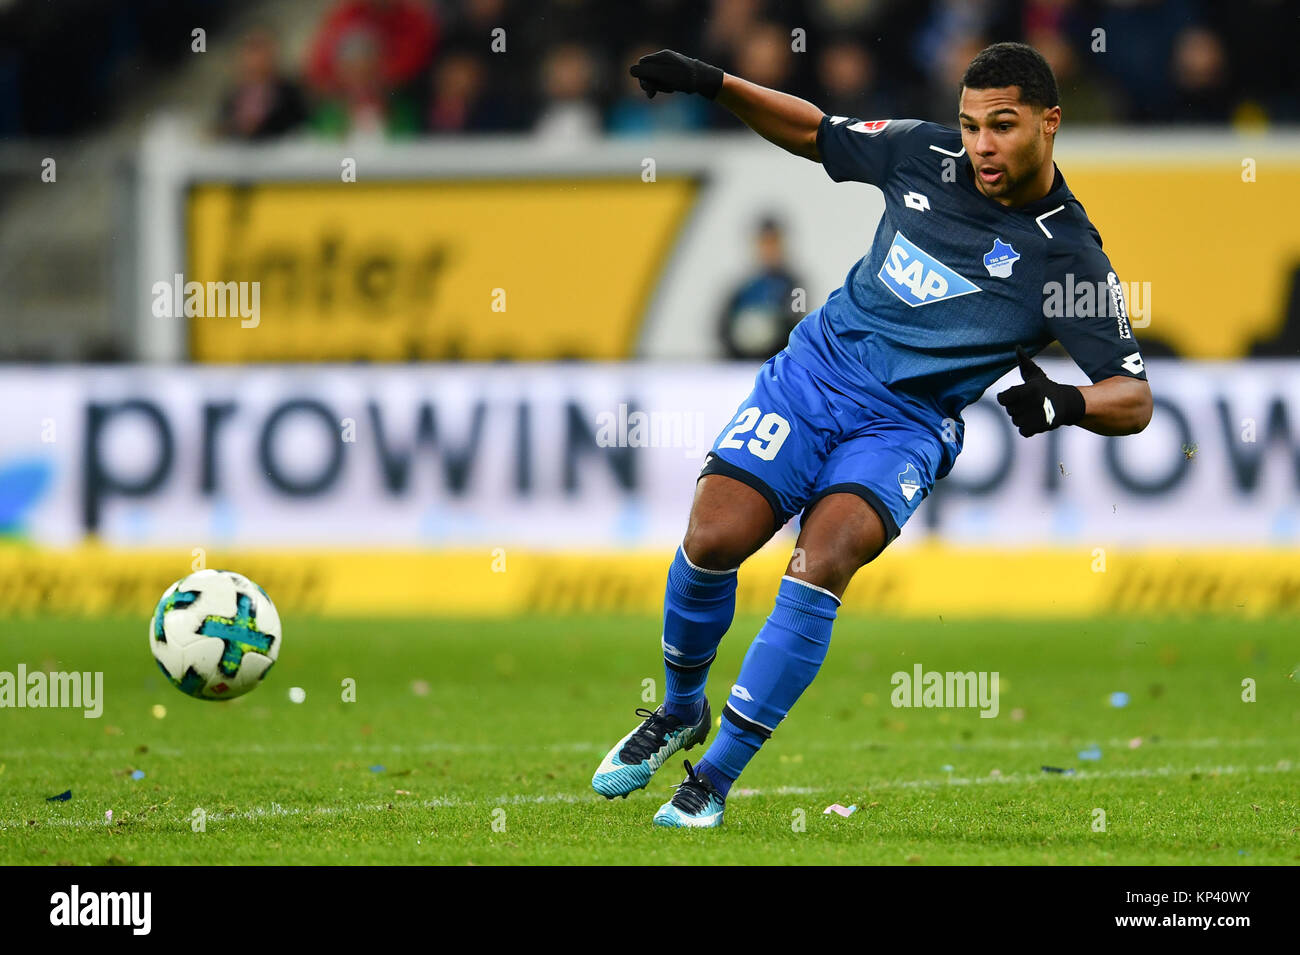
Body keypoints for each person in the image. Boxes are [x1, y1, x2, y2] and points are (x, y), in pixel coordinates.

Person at [593, 42, 1153, 828]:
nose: (981, 146)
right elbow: (814, 131)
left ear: (1050, 124)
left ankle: (712, 779)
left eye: (1002, 126)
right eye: (970, 126)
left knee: (823, 559)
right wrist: (712, 82)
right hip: (815, 374)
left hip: (907, 422)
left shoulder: (1068, 257)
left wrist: (1068, 403)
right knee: (714, 537)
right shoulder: (924, 153)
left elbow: (1135, 397)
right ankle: (683, 706)